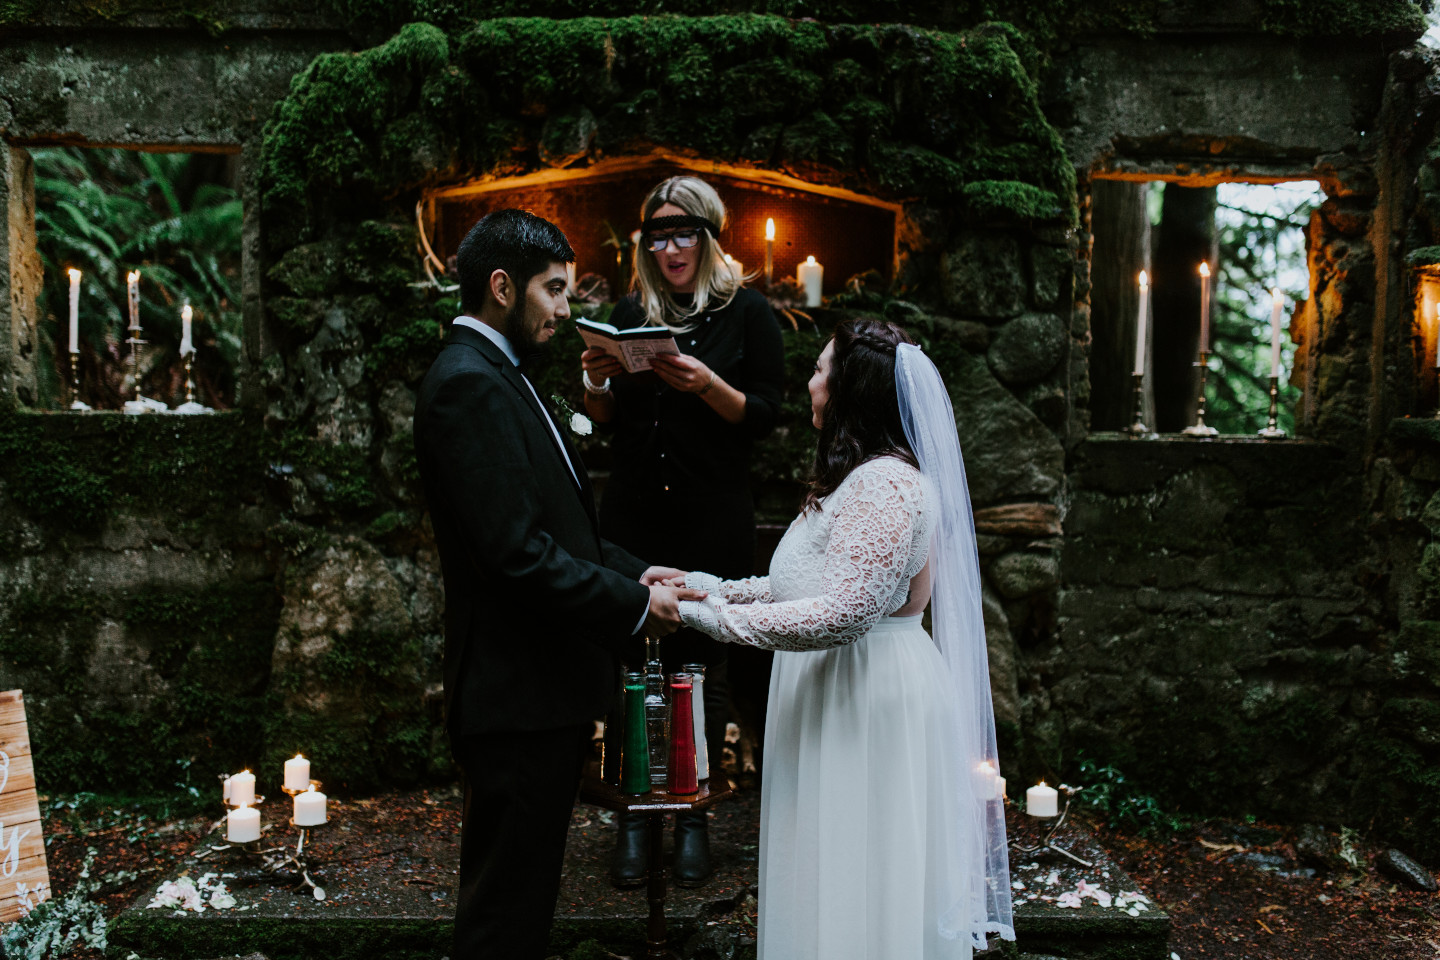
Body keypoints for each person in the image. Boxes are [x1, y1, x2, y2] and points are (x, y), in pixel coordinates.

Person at [412, 208, 705, 959]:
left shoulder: (501, 375)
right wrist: (636, 607)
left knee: (523, 905)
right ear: (502, 287)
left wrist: (632, 568)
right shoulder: (466, 386)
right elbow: (515, 555)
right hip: (515, 699)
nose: (567, 312)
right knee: (503, 917)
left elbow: (553, 527)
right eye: (554, 291)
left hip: (538, 697)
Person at [675, 318, 1015, 959]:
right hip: (841, 687)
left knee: (862, 874)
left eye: (818, 370)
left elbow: (842, 614)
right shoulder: (859, 480)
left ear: (848, 392)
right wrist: (703, 586)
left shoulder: (886, 485)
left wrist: (706, 620)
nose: (807, 383)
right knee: (832, 867)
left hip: (865, 695)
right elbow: (796, 586)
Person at [580, 176, 784, 886]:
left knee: (701, 665)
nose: (670, 248)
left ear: (709, 236)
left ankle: (693, 817)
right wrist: (597, 383)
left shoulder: (748, 313)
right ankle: (636, 819)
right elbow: (601, 425)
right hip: (635, 516)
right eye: (658, 235)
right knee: (635, 668)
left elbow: (764, 417)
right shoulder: (629, 309)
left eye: (684, 233)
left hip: (711, 515)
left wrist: (706, 387)